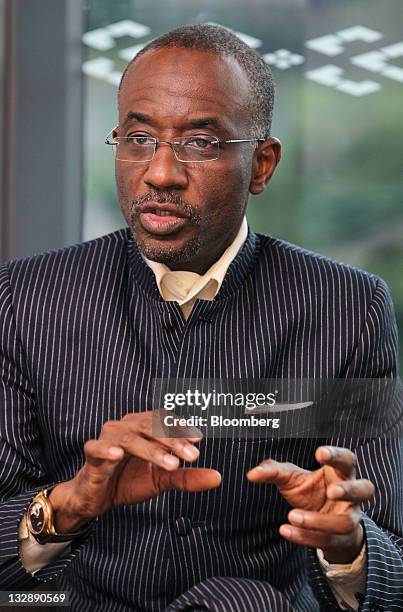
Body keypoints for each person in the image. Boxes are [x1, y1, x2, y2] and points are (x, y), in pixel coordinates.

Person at [0, 23, 402, 612]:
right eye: (138, 137)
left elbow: (390, 558)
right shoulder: (25, 296)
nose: (160, 173)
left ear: (262, 166)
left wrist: (347, 547)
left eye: (199, 143)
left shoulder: (348, 308)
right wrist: (68, 503)